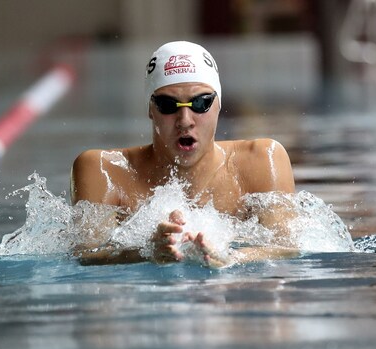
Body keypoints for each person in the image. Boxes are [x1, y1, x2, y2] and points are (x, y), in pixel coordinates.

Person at [71, 41, 297, 268]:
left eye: (200, 103)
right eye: (168, 105)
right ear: (150, 109)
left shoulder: (261, 160)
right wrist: (145, 252)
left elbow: (287, 249)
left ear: (218, 103)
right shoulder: (104, 170)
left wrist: (230, 257)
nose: (185, 121)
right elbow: (87, 256)